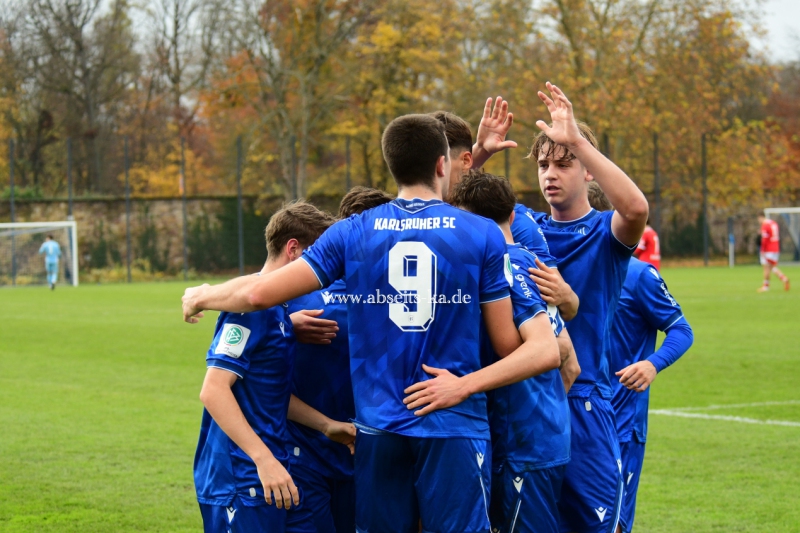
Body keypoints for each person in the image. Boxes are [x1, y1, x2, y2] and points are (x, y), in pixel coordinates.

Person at [183, 113, 559, 533]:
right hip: (452, 424)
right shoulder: (482, 233)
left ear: (391, 167)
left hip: (378, 429)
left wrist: (201, 294)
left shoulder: (353, 232)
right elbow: (514, 346)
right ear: (442, 165)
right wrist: (464, 384)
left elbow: (258, 293)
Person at [526, 82, 649, 533]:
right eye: (543, 165)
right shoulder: (524, 228)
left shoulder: (605, 232)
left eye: (563, 163)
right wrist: (476, 155)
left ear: (588, 172)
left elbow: (636, 207)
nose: (550, 174)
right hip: (527, 403)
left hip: (585, 404)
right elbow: (465, 210)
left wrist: (577, 139)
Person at [194, 201, 356, 533]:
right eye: (321, 258)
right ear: (295, 250)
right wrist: (263, 458)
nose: (327, 270)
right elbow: (213, 390)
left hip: (274, 472)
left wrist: (326, 425)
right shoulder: (251, 309)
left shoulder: (279, 313)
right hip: (241, 480)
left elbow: (271, 393)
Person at [449, 169, 570, 533]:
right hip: (539, 437)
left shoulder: (501, 266)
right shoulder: (530, 262)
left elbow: (549, 352)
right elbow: (568, 358)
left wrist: (467, 385)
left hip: (522, 446)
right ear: (513, 216)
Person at [431, 107, 582, 392]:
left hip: (500, 405)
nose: (433, 174)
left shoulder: (515, 227)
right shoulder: (424, 217)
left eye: (438, 164)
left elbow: (562, 346)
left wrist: (540, 423)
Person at [285, 186, 395, 533]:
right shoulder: (404, 302)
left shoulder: (294, 297)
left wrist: (283, 325)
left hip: (338, 451)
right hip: (329, 451)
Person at [590, 186, 694, 533]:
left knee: (612, 524)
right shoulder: (552, 273)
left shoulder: (638, 276)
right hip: (568, 419)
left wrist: (653, 363)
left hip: (620, 423)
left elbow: (681, 330)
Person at [757, 214, 789, 292]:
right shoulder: (774, 223)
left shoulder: (765, 225)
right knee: (771, 267)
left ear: (760, 217)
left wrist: (762, 250)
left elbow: (764, 239)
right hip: (776, 248)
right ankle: (784, 278)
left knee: (766, 268)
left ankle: (766, 286)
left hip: (768, 249)